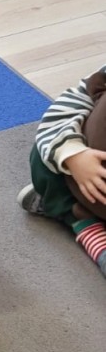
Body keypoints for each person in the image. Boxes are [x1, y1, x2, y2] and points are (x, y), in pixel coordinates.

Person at [17, 65, 106, 277]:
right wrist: (74, 155)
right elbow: (62, 112)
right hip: (86, 183)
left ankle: (69, 209)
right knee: (43, 156)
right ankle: (83, 222)